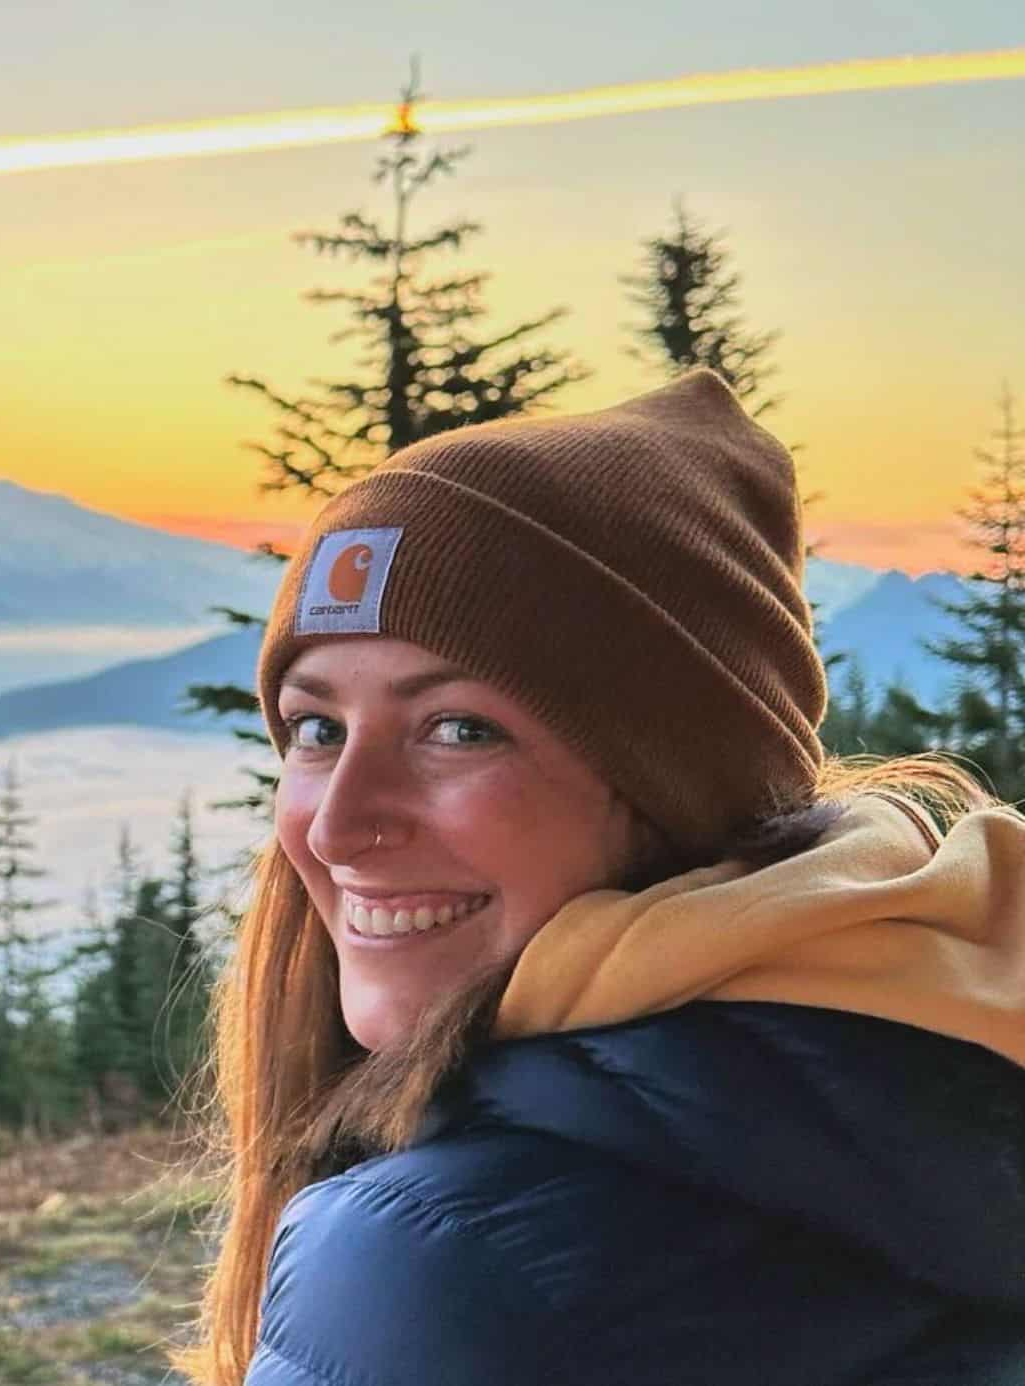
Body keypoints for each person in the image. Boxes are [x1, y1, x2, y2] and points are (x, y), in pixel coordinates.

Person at [179, 369, 1025, 1385]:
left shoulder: (443, 1266)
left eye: (458, 729)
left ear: (670, 784)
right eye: (316, 728)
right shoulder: (936, 1064)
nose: (336, 829)